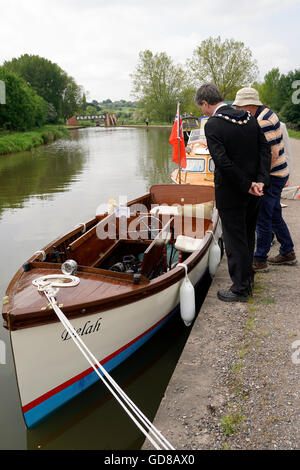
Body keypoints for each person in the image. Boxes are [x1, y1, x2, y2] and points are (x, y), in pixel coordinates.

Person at [195, 83, 271, 302]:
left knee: (234, 240)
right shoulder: (248, 118)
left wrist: (246, 184)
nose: (203, 111)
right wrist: (259, 181)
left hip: (231, 192)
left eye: (202, 107)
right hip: (254, 191)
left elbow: (223, 162)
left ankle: (240, 289)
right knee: (247, 235)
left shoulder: (213, 125)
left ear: (206, 103)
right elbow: (264, 150)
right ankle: (248, 280)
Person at [233, 87, 297, 270]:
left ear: (250, 105)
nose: (238, 110)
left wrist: (261, 179)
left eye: (240, 107)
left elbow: (273, 153)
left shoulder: (263, 121)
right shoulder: (266, 113)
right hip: (279, 173)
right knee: (275, 214)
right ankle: (287, 251)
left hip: (273, 175)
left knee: (263, 216)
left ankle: (260, 259)